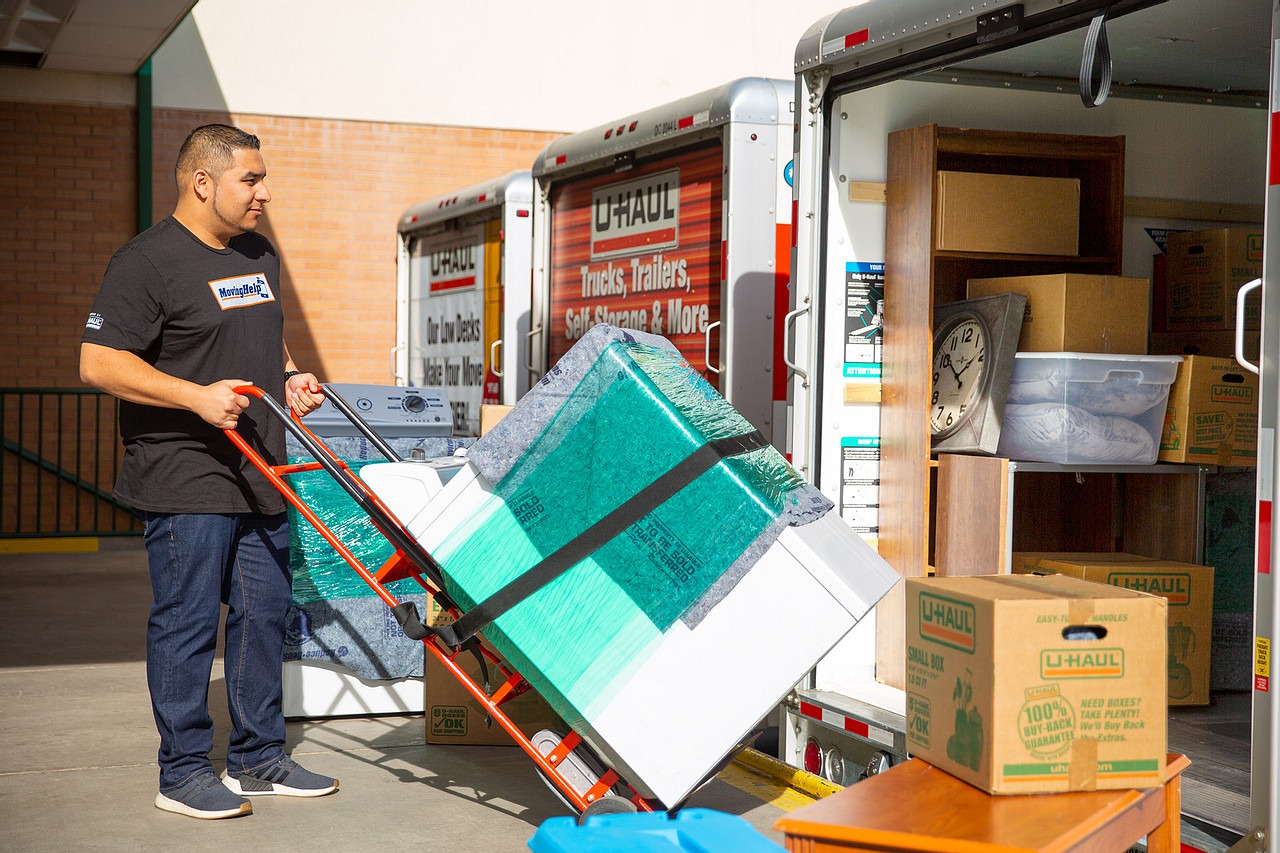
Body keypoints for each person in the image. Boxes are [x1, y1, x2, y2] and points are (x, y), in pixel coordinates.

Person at [80, 124, 337, 820]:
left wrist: (289, 375)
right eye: (250, 179)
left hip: (258, 464)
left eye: (263, 179)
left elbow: (264, 329)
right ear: (202, 182)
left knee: (263, 613)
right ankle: (184, 771)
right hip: (184, 469)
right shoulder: (146, 262)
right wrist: (194, 396)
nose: (264, 193)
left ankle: (259, 757)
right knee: (188, 620)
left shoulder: (258, 252)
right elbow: (98, 362)